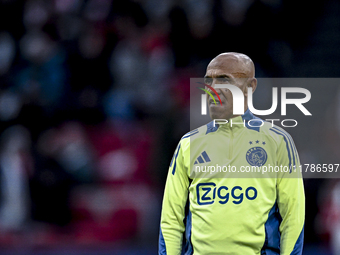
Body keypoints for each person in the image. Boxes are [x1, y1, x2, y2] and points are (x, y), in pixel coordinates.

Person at [158, 52, 305, 255]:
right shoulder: (188, 145)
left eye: (224, 80)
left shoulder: (278, 142)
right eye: (208, 80)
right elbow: (171, 220)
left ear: (250, 86)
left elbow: (293, 217)